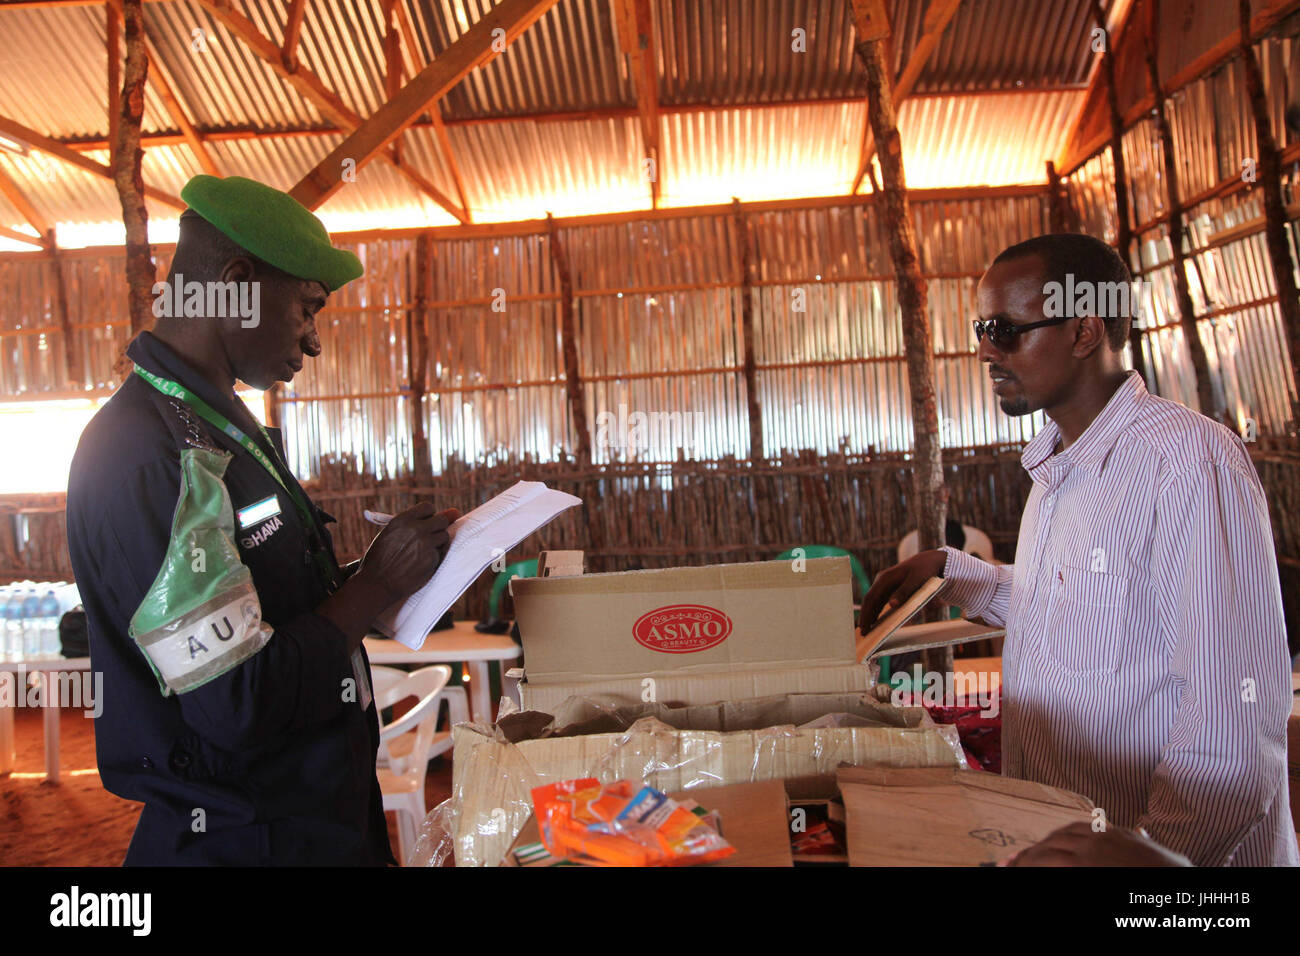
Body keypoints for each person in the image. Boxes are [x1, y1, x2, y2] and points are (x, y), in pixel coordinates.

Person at [861, 233, 1297, 866]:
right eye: (982, 328)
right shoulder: (1061, 467)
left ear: (1085, 331)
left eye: (1006, 330)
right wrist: (951, 572)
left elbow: (1234, 716)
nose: (984, 350)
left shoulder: (1185, 464)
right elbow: (1074, 610)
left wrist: (1147, 858)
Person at [66, 175, 457, 865]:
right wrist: (370, 590)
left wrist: (377, 575)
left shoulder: (214, 428)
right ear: (238, 281)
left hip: (308, 822)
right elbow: (235, 702)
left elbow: (261, 608)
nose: (312, 343)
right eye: (307, 309)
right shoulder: (150, 456)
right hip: (244, 842)